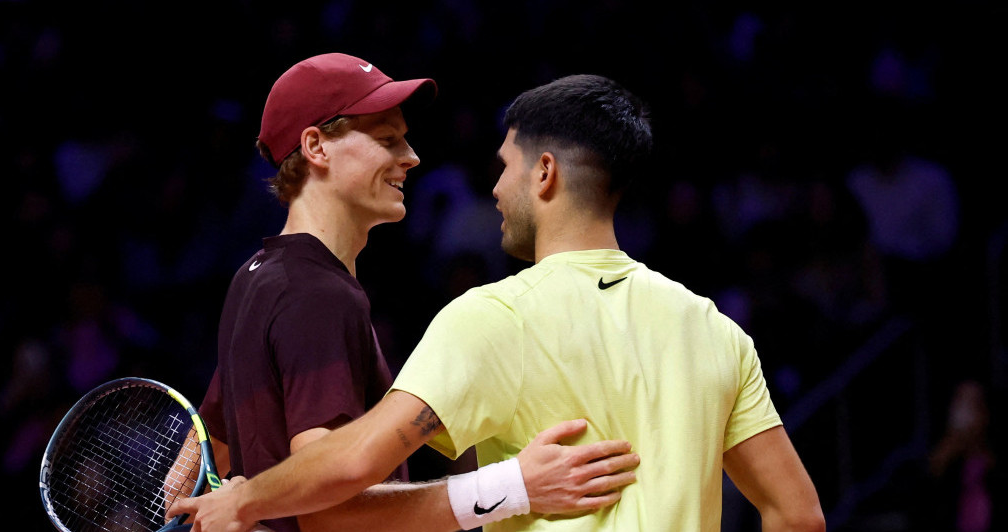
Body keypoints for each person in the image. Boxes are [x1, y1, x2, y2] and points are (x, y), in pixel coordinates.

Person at [171, 73, 825, 531]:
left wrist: (248, 498)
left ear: (545, 173)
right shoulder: (714, 330)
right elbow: (798, 515)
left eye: (505, 166)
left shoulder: (491, 319)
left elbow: (343, 468)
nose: (495, 189)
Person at [192, 54, 641, 532]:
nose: (411, 156)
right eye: (387, 139)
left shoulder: (256, 276)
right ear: (316, 147)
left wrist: (224, 506)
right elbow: (329, 513)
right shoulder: (318, 294)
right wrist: (514, 487)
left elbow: (207, 449)